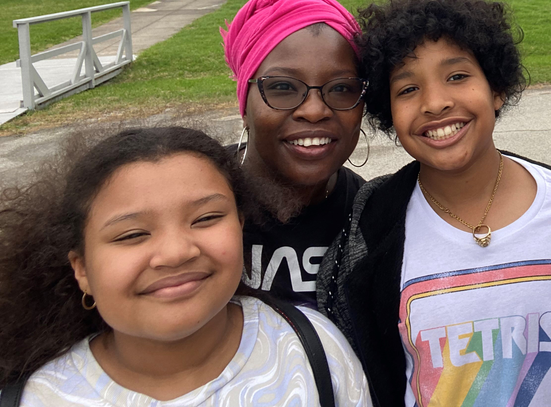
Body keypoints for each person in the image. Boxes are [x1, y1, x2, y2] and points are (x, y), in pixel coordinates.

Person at [317, 0, 551, 407]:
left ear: (497, 89)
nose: (435, 103)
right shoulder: (374, 230)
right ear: (388, 113)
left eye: (457, 76)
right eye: (408, 89)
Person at [0, 126, 371, 406]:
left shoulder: (312, 350)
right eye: (131, 235)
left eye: (206, 218)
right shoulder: (36, 396)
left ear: (241, 226)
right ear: (81, 269)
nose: (176, 252)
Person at [221, 0, 367, 308]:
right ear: (245, 104)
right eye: (283, 87)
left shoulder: (371, 218)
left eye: (342, 88)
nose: (314, 110)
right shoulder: (196, 200)